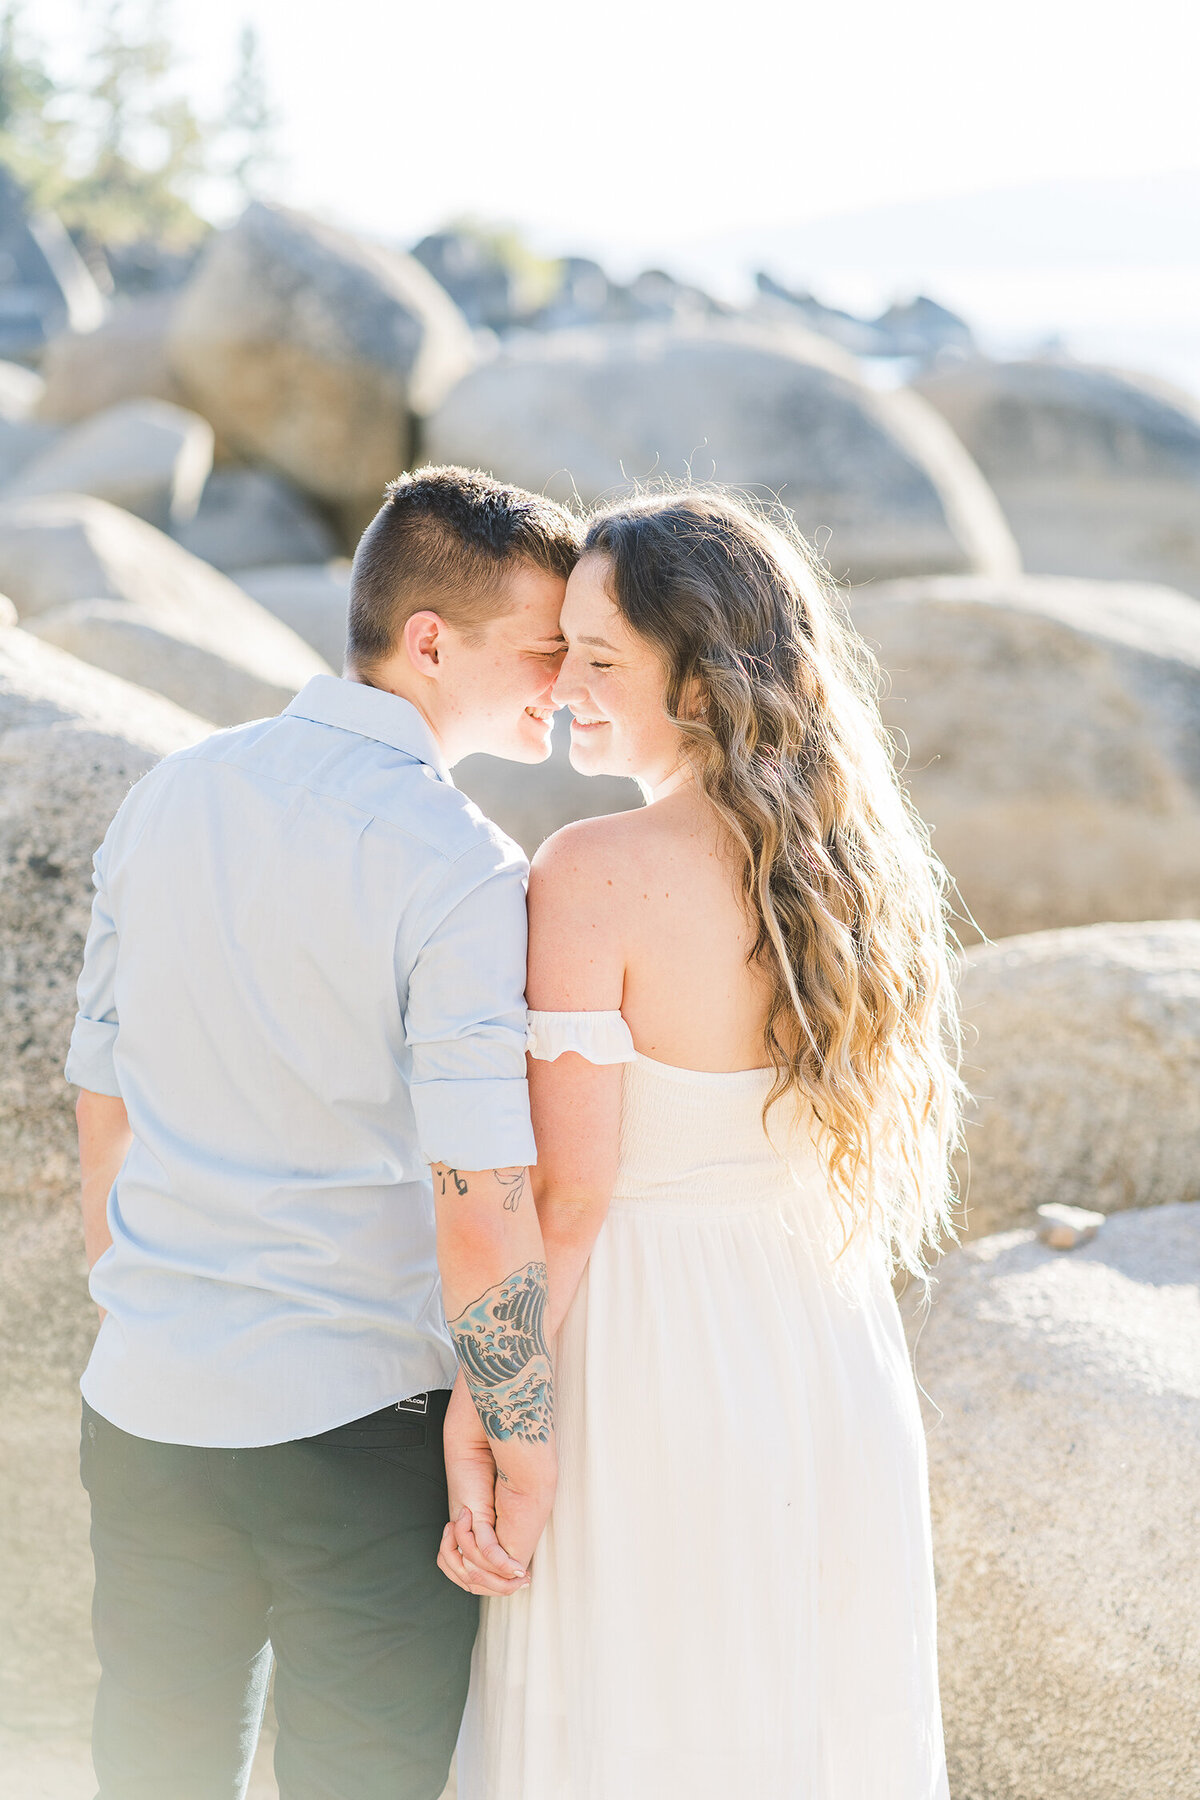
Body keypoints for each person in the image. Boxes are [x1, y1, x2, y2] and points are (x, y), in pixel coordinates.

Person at [67, 466, 578, 1800]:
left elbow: (103, 1101)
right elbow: (483, 1196)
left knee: (155, 1773)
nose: (568, 682)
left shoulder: (169, 793)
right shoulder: (463, 868)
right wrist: (519, 1447)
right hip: (353, 1420)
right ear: (428, 640)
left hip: (146, 1402)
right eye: (545, 648)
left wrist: (148, 1310)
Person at [445, 490, 962, 1799]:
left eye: (603, 660)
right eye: (562, 655)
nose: (567, 695)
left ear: (703, 674)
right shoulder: (863, 863)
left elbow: (568, 1194)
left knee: (624, 1727)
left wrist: (493, 1408)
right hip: (823, 1345)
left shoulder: (593, 869)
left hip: (647, 1352)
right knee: (798, 1727)